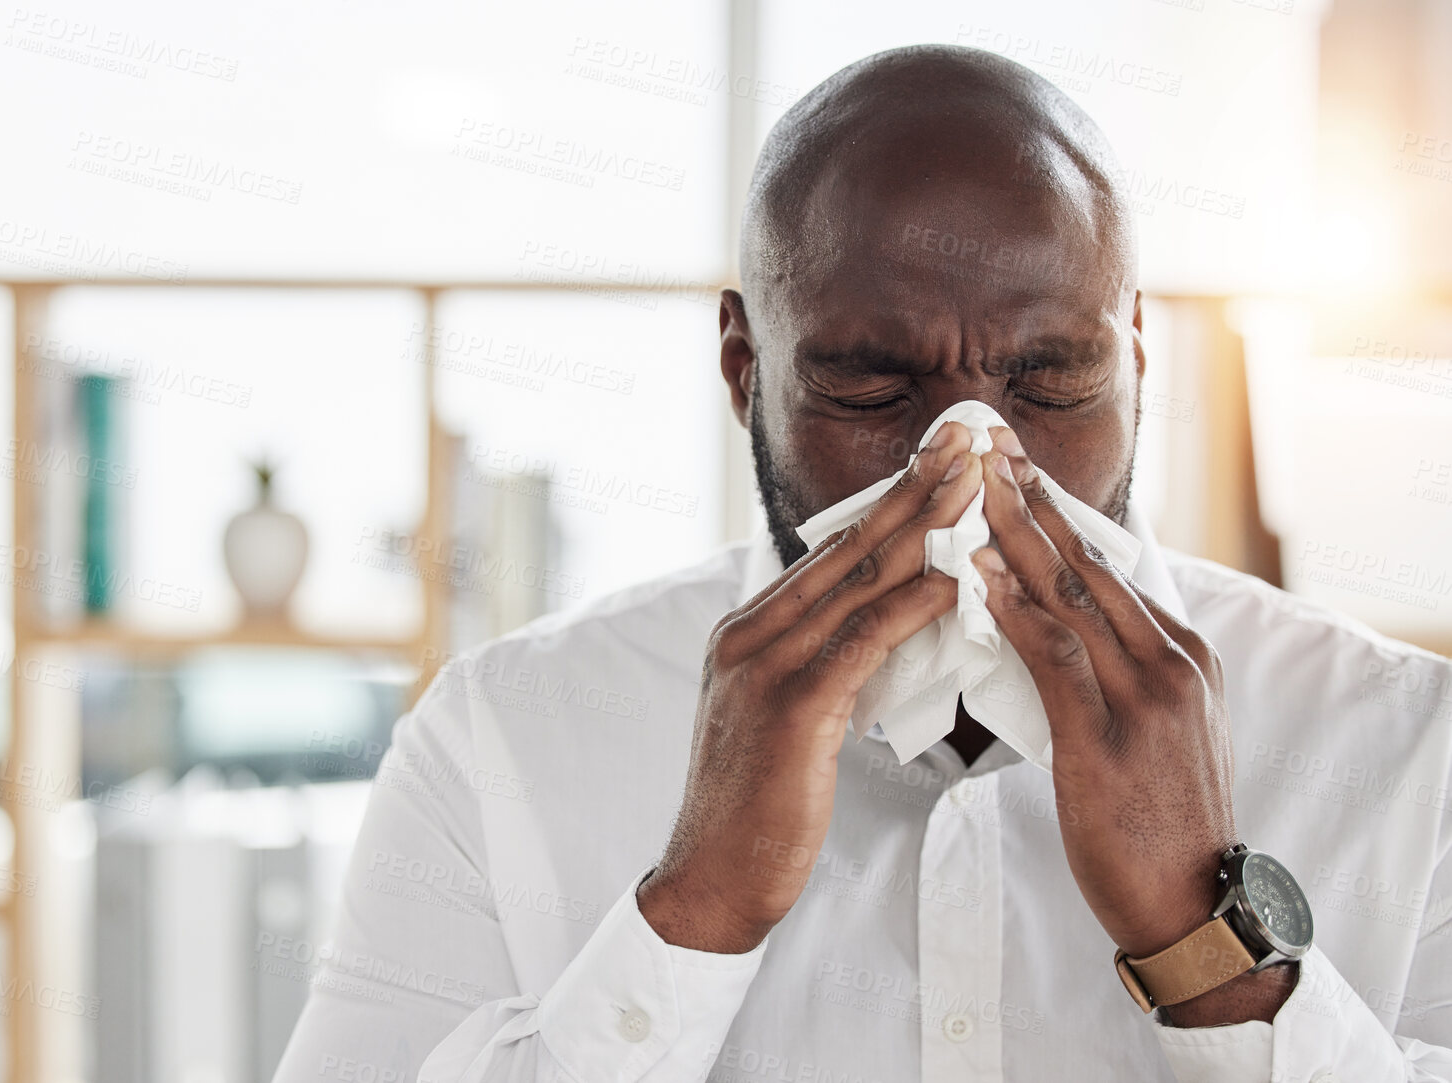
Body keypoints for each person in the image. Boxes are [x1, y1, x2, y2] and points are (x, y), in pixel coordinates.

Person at [272, 44, 1452, 1081]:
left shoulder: (1405, 746)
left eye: (1052, 383)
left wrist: (1211, 950)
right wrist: (691, 914)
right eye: (869, 386)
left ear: (1136, 355)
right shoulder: (503, 738)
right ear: (745, 366)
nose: (971, 467)